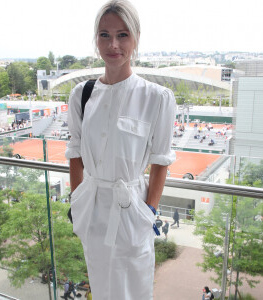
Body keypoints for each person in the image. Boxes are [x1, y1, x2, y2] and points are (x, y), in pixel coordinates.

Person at [65, 1, 176, 299]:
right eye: (104, 34)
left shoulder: (157, 98)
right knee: (101, 288)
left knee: (134, 290)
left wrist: (147, 212)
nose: (113, 44)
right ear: (96, 39)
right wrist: (78, 202)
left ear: (136, 38)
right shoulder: (81, 94)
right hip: (92, 210)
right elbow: (74, 151)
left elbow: (160, 161)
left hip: (131, 211)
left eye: (122, 34)